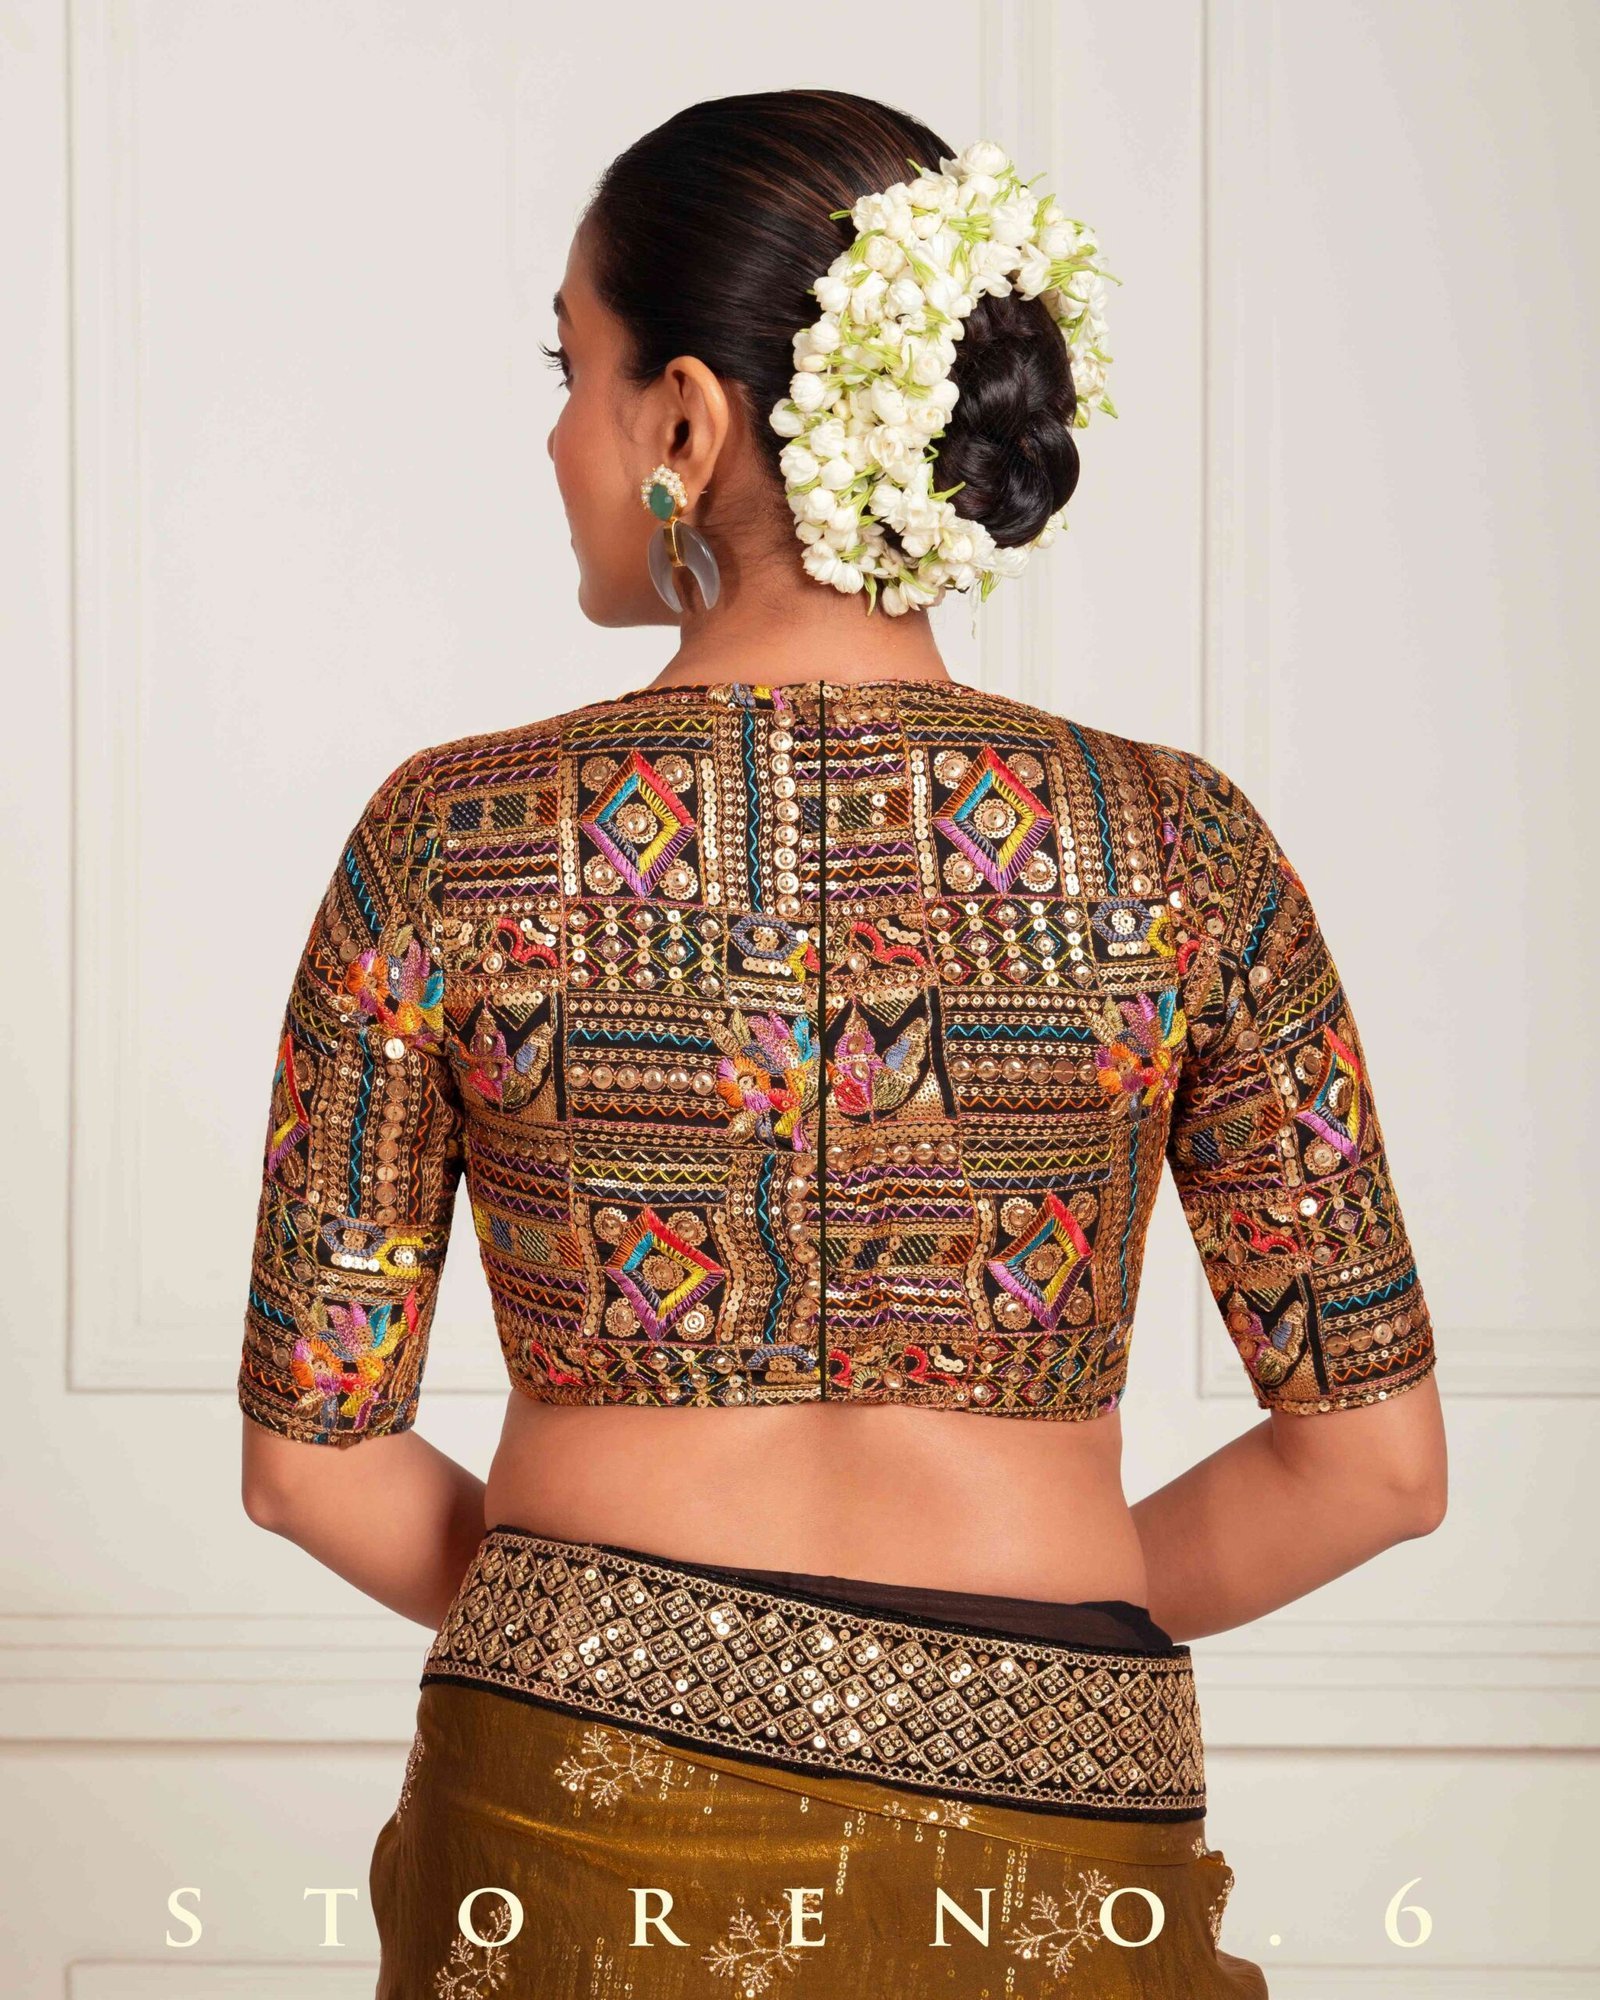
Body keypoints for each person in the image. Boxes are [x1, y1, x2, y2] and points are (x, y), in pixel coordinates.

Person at [236, 89, 1446, 1999]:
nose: (553, 435)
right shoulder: (1183, 849)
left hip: (571, 1823)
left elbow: (312, 1459)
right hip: (1052, 1832)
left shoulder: (452, 840)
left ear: (685, 424)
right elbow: (1372, 1466)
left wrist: (629, 1645)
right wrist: (972, 1668)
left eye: (571, 369)